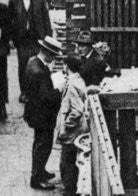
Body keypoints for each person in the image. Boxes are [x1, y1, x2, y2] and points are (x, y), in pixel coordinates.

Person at [24, 36, 64, 190]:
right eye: (53, 55)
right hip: (42, 115)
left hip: (36, 113)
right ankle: (36, 179)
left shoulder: (33, 62)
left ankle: (40, 171)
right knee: (43, 145)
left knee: (40, 143)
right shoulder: (39, 71)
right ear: (47, 53)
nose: (53, 59)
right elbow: (46, 97)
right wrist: (59, 90)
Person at [9, 0, 53, 103]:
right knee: (23, 66)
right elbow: (9, 22)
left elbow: (46, 20)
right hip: (22, 40)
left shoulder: (40, 0)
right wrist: (10, 38)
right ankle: (24, 92)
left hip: (37, 39)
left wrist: (48, 40)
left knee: (38, 65)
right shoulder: (14, 1)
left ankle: (38, 91)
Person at [55, 53, 89, 196]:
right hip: (79, 129)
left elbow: (76, 110)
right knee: (71, 160)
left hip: (72, 131)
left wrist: (65, 126)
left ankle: (69, 191)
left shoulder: (72, 84)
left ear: (67, 66)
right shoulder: (78, 80)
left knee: (66, 162)